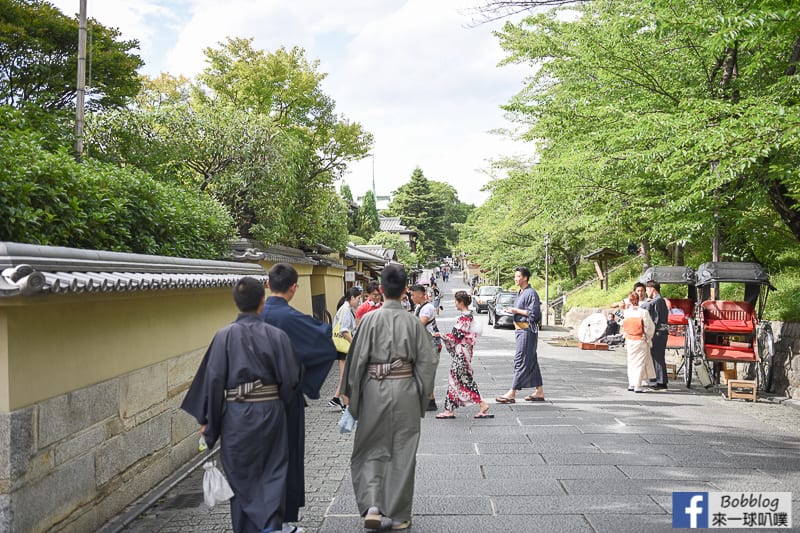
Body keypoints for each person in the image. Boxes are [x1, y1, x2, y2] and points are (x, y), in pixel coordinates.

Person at [181, 277, 302, 533]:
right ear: (262, 301)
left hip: (235, 416)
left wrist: (210, 426)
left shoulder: (223, 337)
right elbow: (291, 378)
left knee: (242, 476)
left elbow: (213, 383)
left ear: (236, 303)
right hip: (271, 411)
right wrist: (275, 400)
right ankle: (270, 526)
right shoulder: (277, 336)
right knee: (273, 471)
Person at [340, 264, 439, 531]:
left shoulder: (369, 320)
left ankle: (373, 505)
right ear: (406, 290)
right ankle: (397, 515)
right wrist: (420, 395)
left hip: (373, 389)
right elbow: (428, 362)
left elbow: (356, 362)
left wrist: (352, 398)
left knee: (370, 446)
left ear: (381, 290)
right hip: (405, 388)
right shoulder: (412, 322)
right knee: (403, 451)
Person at [261, 264, 338, 533]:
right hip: (284, 401)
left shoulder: (252, 317)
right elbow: (323, 345)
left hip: (251, 406)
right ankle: (282, 522)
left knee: (260, 460)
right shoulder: (292, 319)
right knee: (287, 457)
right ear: (294, 287)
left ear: (268, 285)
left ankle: (259, 520)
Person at [434, 290, 492, 419]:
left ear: (461, 302)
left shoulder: (465, 317)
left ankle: (451, 409)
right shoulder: (467, 316)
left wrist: (441, 335)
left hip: (462, 353)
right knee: (463, 379)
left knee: (456, 379)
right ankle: (480, 404)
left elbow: (456, 336)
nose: (455, 304)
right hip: (464, 352)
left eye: (456, 301)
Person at [496, 266, 545, 404]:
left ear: (525, 278)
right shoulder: (521, 292)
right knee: (531, 361)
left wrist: (515, 310)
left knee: (521, 360)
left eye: (518, 276)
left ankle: (512, 392)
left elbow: (534, 314)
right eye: (515, 276)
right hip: (520, 330)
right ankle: (539, 391)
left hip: (527, 330)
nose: (515, 279)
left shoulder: (531, 293)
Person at [329, 286, 362, 410]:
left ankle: (336, 399)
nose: (359, 301)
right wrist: (354, 344)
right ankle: (345, 404)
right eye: (358, 298)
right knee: (345, 376)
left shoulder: (345, 308)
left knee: (345, 375)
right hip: (345, 346)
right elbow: (344, 330)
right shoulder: (346, 309)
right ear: (352, 297)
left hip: (342, 347)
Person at [410, 284, 442, 412]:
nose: (411, 297)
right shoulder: (419, 306)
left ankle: (430, 401)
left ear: (419, 294)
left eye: (412, 295)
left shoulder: (427, 307)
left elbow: (419, 324)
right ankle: (429, 400)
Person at [622, 291, 656, 392]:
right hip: (640, 339)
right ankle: (637, 385)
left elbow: (625, 326)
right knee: (639, 363)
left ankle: (631, 384)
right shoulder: (643, 312)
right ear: (638, 300)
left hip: (630, 339)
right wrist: (648, 337)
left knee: (631, 362)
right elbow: (649, 327)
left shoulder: (627, 312)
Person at [644, 280, 670, 390]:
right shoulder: (657, 301)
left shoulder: (658, 301)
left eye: (646, 289)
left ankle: (661, 381)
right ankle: (657, 379)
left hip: (659, 332)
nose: (646, 292)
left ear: (652, 289)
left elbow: (656, 319)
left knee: (658, 356)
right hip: (660, 331)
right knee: (656, 356)